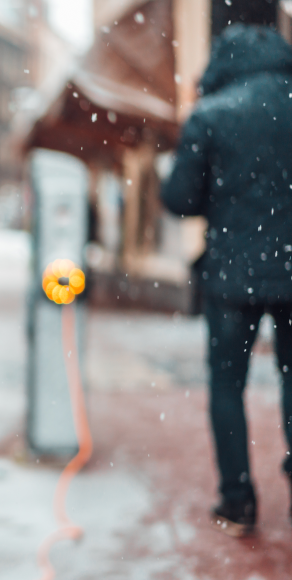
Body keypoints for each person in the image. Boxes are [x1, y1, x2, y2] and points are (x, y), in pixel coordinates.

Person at [162, 24, 292, 537]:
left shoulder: (212, 113)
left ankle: (237, 501)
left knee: (227, 385)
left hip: (231, 276)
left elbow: (179, 199)